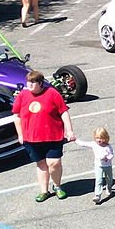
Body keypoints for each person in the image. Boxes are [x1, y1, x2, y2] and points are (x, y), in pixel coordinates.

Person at [13, 71, 71, 202]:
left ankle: (57, 186)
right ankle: (44, 191)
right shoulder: (23, 95)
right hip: (31, 138)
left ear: (40, 83)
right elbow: (16, 116)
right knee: (41, 164)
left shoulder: (52, 93)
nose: (30, 85)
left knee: (54, 163)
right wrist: (20, 134)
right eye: (28, 82)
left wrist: (69, 130)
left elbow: (64, 112)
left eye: (33, 82)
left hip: (53, 136)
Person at [91, 127, 115, 204]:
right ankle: (97, 195)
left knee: (109, 179)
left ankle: (109, 187)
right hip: (98, 166)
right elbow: (84, 144)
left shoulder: (107, 147)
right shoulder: (94, 144)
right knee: (99, 180)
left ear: (105, 138)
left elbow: (111, 155)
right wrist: (75, 140)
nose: (99, 140)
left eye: (101, 138)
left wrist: (106, 158)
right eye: (97, 138)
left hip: (107, 166)